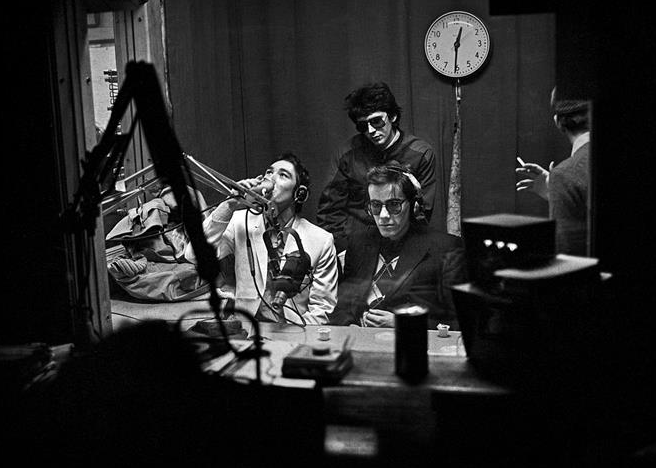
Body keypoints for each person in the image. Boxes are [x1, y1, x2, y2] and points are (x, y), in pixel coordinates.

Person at [185, 152, 338, 325]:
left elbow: (322, 311)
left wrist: (294, 336)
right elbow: (193, 255)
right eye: (269, 172)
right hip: (246, 328)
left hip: (292, 330)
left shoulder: (320, 240)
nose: (271, 178)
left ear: (300, 194)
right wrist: (230, 205)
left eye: (283, 175)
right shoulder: (240, 222)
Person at [329, 163, 465, 329]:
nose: (384, 216)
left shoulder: (446, 248)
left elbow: (460, 322)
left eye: (394, 205)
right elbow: (342, 309)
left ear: (414, 206)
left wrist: (402, 323)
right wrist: (351, 326)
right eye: (376, 206)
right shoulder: (358, 243)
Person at [317, 82, 437, 254]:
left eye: (376, 121)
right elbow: (329, 212)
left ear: (393, 116)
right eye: (363, 126)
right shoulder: (347, 154)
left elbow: (422, 215)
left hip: (402, 246)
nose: (371, 130)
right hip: (355, 247)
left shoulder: (420, 154)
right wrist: (343, 251)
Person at [516, 87, 590, 256]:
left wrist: (562, 183)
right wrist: (556, 193)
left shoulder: (565, 175)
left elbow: (567, 255)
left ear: (557, 121)